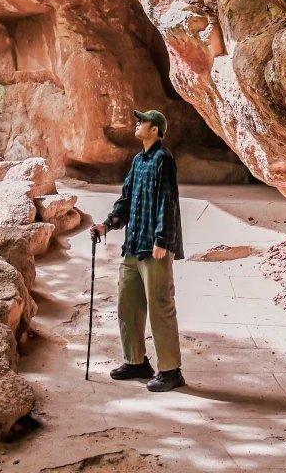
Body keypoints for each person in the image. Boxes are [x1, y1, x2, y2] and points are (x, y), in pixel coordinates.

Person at [92, 108, 185, 392]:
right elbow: (126, 199)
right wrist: (107, 225)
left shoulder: (163, 160)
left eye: (142, 121)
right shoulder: (138, 161)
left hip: (154, 247)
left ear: (154, 129)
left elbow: (167, 202)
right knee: (127, 304)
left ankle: (170, 371)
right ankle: (136, 362)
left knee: (160, 307)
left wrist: (161, 241)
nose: (137, 123)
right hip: (133, 247)